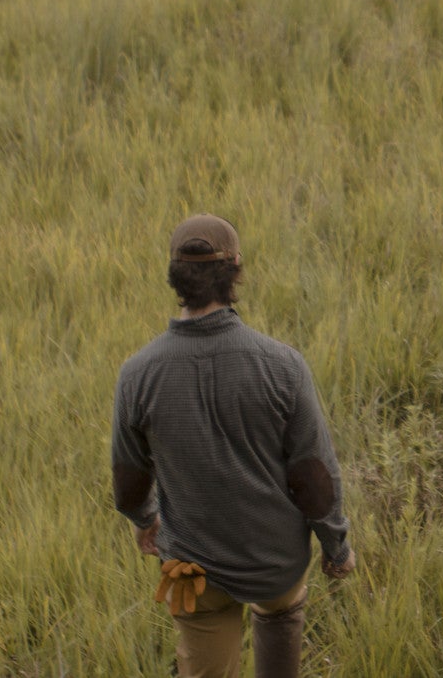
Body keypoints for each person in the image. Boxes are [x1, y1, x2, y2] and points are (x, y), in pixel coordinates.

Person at [111, 214, 357, 678]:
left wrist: (147, 521)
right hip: (275, 563)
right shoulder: (283, 366)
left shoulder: (137, 374)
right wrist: (336, 548)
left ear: (174, 276)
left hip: (192, 568)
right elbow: (314, 478)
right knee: (281, 615)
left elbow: (127, 481)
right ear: (235, 272)